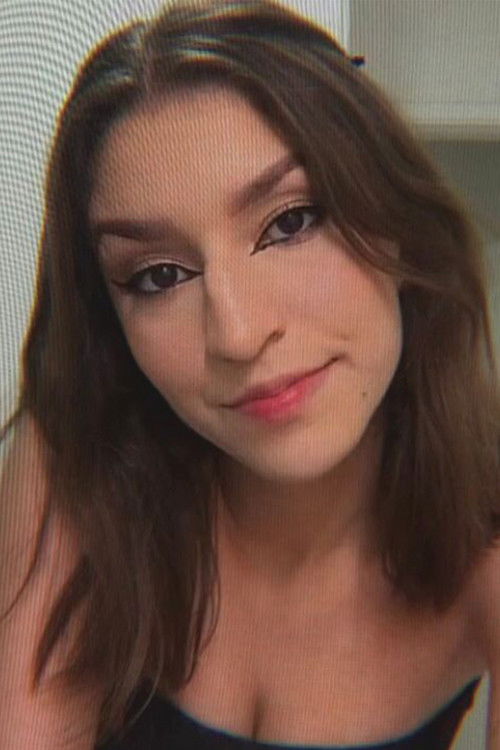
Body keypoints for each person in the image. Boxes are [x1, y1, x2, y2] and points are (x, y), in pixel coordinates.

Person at [1, 0, 499, 747]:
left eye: (291, 222)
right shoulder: (80, 457)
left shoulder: (483, 549)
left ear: (397, 221)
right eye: (160, 275)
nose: (236, 334)